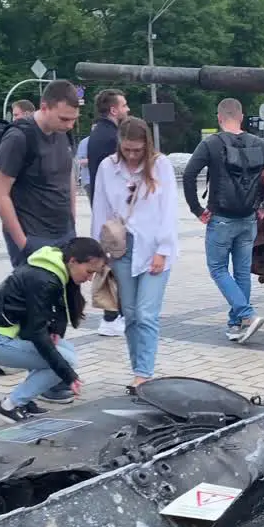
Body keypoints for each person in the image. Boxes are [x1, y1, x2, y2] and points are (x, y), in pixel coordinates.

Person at [0, 80, 81, 404]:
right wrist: (22, 240)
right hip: (33, 237)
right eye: (64, 119)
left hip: (62, 232)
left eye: (73, 120)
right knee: (36, 309)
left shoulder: (64, 133)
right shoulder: (20, 137)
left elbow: (68, 173)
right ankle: (43, 376)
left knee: (62, 305)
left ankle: (51, 374)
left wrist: (72, 216)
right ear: (45, 107)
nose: (69, 125)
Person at [182, 98, 264, 344]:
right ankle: (235, 325)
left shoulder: (211, 144)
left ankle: (246, 314)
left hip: (221, 217)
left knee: (218, 269)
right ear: (241, 117)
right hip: (249, 218)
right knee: (241, 271)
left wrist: (197, 209)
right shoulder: (260, 144)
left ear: (219, 118)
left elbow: (189, 174)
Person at [91, 117, 178, 390]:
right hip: (121, 247)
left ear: (146, 146)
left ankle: (144, 373)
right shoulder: (108, 167)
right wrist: (98, 251)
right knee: (129, 313)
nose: (131, 155)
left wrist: (163, 250)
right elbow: (101, 209)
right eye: (127, 149)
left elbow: (169, 210)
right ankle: (138, 370)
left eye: (137, 150)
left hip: (154, 246)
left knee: (146, 313)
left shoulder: (160, 166)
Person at [0, 238, 105, 422]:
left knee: (67, 350)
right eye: (89, 271)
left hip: (9, 333)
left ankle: (25, 400)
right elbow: (37, 333)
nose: (90, 278)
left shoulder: (55, 268)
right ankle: (9, 405)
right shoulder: (44, 279)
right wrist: (68, 376)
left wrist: (54, 331)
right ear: (73, 261)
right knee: (65, 361)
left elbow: (53, 313)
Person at [86, 89, 130, 338]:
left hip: (105, 211)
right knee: (115, 266)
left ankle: (115, 315)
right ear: (113, 110)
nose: (127, 109)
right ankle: (112, 316)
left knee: (114, 265)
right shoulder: (111, 136)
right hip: (114, 215)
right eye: (124, 106)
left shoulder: (98, 133)